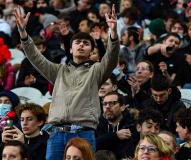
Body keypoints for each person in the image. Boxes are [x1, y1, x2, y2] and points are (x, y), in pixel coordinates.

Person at [13, 3, 119, 160]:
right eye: (77, 43)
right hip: (56, 134)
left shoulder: (96, 71)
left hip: (83, 132)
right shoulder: (58, 71)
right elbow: (35, 57)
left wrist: (113, 33)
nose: (81, 45)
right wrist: (23, 32)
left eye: (86, 43)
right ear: (70, 49)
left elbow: (111, 57)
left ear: (91, 51)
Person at [96, 92, 138, 159]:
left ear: (122, 107)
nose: (107, 106)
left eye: (112, 103)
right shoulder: (97, 125)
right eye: (105, 104)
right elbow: (92, 144)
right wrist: (115, 136)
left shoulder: (131, 125)